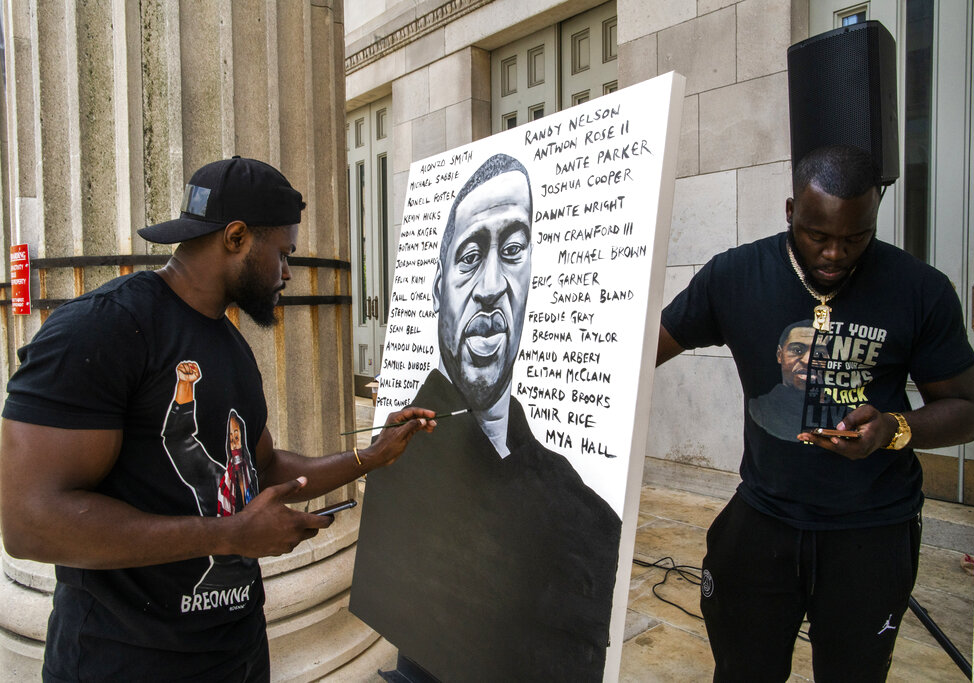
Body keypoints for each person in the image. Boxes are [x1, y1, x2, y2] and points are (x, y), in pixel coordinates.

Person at [0, 156, 436, 681]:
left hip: (237, 652)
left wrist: (373, 455)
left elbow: (265, 468)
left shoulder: (231, 345)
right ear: (236, 237)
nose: (287, 272)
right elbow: (30, 523)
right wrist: (228, 535)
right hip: (126, 662)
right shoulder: (102, 328)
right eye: (283, 253)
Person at [657, 145, 974, 682]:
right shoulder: (735, 275)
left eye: (855, 238)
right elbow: (643, 351)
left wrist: (893, 429)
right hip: (763, 520)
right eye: (817, 235)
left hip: (872, 530)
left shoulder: (919, 288)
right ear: (790, 211)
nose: (834, 254)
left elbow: (966, 410)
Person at [351, 153, 622, 682]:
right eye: (471, 256)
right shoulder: (400, 458)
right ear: (438, 287)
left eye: (514, 250)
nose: (492, 285)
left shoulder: (583, 516)